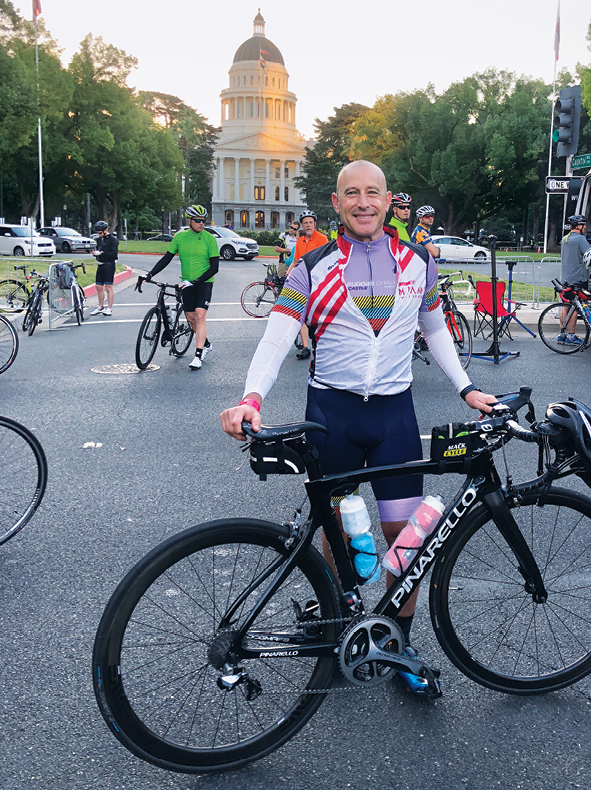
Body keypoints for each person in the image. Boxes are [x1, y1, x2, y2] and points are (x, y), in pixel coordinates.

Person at [220, 160, 495, 694]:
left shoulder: (417, 262)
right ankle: (341, 624)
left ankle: (396, 640)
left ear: (389, 200)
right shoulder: (313, 265)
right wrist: (251, 397)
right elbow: (278, 336)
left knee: (405, 537)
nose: (364, 202)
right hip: (333, 416)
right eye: (353, 194)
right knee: (336, 533)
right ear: (337, 202)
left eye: (373, 193)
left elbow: (434, 328)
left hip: (393, 415)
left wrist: (466, 387)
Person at [145, 205, 219, 371]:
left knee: (200, 316)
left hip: (204, 283)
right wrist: (149, 275)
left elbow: (214, 267)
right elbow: (166, 259)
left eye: (203, 221)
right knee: (192, 319)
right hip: (186, 283)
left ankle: (198, 355)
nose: (201, 224)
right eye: (198, 221)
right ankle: (206, 344)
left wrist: (197, 281)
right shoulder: (180, 237)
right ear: (189, 220)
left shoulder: (209, 239)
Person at [558, 215, 591, 345]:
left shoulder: (565, 239)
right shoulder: (580, 239)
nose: (585, 228)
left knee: (565, 306)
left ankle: (561, 334)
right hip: (578, 278)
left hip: (566, 277)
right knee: (575, 306)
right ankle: (571, 336)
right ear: (579, 226)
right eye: (584, 226)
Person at [288, 209, 328, 360]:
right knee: (301, 315)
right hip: (302, 283)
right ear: (302, 226)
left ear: (315, 224)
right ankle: (305, 347)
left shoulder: (322, 239)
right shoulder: (300, 241)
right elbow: (295, 261)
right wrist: (289, 275)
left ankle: (319, 345)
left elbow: (326, 262)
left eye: (310, 222)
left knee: (317, 316)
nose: (308, 225)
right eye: (305, 223)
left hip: (318, 284)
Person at [89, 221, 118, 316]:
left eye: (100, 233)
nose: (99, 234)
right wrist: (95, 253)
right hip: (100, 264)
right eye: (97, 233)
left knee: (108, 287)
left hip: (109, 265)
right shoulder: (99, 240)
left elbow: (114, 254)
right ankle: (100, 306)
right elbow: (98, 250)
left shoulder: (113, 240)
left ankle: (109, 308)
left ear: (105, 231)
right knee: (98, 286)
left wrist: (102, 253)